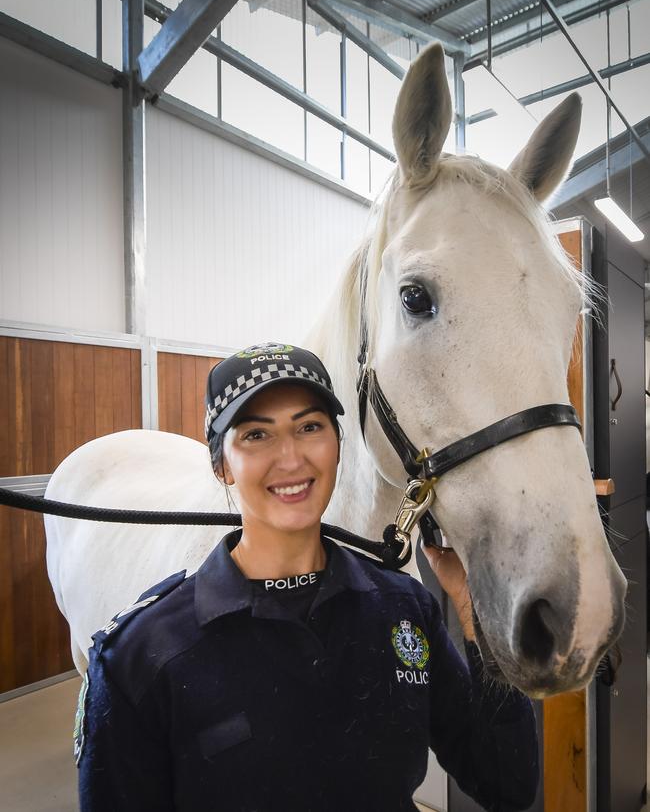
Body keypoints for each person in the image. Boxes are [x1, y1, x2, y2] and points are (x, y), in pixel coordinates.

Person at [76, 342, 539, 812]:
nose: (291, 459)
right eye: (256, 435)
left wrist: (470, 599)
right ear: (221, 466)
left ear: (337, 446)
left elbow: (506, 783)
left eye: (310, 427)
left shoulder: (404, 609)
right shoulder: (139, 656)